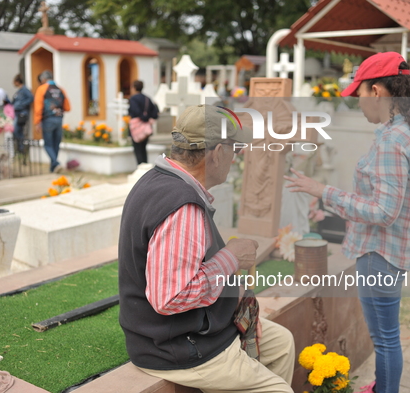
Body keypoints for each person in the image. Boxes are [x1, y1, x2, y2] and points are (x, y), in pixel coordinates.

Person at [284, 52, 410, 393]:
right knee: (388, 335)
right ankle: (384, 384)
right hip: (399, 249)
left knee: (384, 339)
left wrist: (324, 191)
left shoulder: (392, 141)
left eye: (360, 94)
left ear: (378, 91)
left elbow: (383, 212)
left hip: (379, 253)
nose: (358, 103)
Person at [119, 104, 295, 393]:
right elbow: (171, 297)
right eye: (234, 148)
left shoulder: (159, 180)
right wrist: (232, 257)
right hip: (175, 348)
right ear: (216, 153)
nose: (237, 157)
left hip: (189, 332)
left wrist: (236, 296)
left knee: (282, 344)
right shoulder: (182, 205)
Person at [33, 70, 70, 173]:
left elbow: (38, 107)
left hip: (47, 119)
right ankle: (53, 167)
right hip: (59, 119)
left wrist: (37, 122)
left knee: (48, 144)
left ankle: (56, 163)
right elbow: (67, 107)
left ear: (43, 80)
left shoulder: (42, 89)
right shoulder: (60, 89)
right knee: (56, 144)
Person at [128, 80, 158, 165]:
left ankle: (140, 168)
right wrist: (147, 118)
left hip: (136, 127)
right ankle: (145, 167)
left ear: (134, 88)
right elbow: (155, 112)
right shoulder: (147, 98)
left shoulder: (133, 98)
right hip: (146, 128)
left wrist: (143, 117)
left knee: (137, 149)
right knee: (144, 148)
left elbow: (135, 111)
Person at [11, 74, 34, 154]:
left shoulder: (24, 90)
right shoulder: (19, 91)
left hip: (22, 113)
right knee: (17, 131)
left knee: (17, 130)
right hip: (17, 113)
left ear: (17, 82)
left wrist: (22, 104)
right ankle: (20, 148)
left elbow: (31, 98)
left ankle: (21, 148)